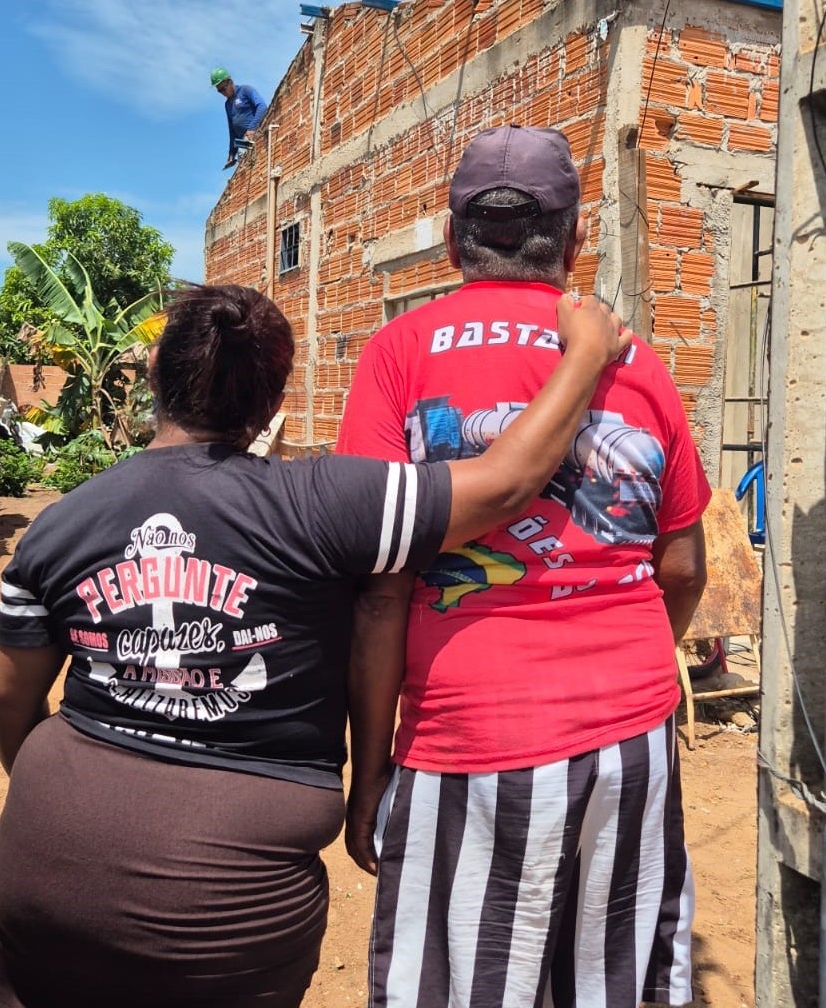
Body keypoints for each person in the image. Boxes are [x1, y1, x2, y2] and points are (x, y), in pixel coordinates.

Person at [0, 282, 628, 1008]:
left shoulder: (60, 523)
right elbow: (506, 482)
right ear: (273, 392)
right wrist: (586, 355)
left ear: (156, 367)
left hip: (40, 865)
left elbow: (6, 694)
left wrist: (68, 801)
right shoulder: (328, 503)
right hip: (226, 914)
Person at [336, 124, 711, 1008]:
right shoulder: (638, 361)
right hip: (631, 739)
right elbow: (683, 567)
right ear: (574, 238)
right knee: (615, 979)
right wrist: (631, 663)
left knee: (460, 981)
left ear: (448, 233)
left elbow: (378, 589)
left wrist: (368, 771)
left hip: (466, 736)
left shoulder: (398, 354)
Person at [211, 67, 267, 170]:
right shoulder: (227, 104)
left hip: (256, 135)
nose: (223, 93)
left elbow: (262, 106)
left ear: (230, 81)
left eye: (223, 89)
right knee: (246, 169)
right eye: (220, 91)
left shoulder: (245, 90)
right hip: (243, 143)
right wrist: (231, 153)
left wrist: (252, 128)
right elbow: (232, 130)